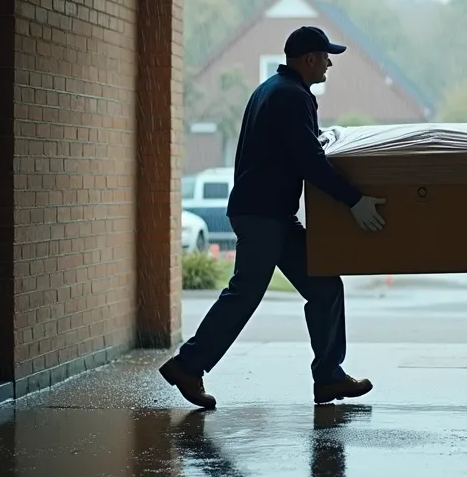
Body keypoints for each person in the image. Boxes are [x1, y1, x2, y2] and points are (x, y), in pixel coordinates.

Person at [160, 25, 388, 409]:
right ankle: (188, 365)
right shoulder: (292, 96)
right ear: (309, 59)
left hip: (271, 214)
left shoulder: (273, 89)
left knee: (325, 286)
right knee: (245, 294)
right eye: (326, 56)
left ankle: (329, 377)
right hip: (263, 216)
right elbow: (309, 161)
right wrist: (355, 201)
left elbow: (297, 147)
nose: (330, 64)